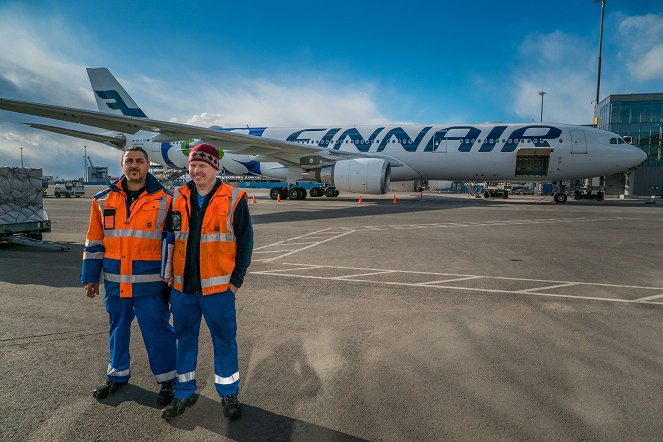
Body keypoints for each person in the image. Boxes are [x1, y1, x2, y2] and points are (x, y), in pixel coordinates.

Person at [160, 143, 253, 421]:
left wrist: (236, 281)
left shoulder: (233, 198)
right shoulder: (177, 196)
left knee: (225, 340)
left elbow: (245, 241)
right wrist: (167, 274)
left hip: (219, 289)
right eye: (192, 165)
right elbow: (168, 238)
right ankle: (184, 392)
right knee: (184, 339)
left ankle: (228, 394)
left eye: (202, 165)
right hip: (183, 289)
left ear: (215, 168)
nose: (196, 170)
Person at [81, 146, 177, 405]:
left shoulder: (167, 201)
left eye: (140, 161)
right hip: (115, 282)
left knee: (158, 332)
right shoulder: (102, 200)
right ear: (122, 165)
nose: (134, 165)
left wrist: (174, 280)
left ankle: (168, 381)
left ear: (148, 166)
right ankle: (117, 376)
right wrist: (90, 277)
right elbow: (94, 241)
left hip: (151, 286)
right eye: (129, 161)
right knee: (117, 330)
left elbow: (173, 244)